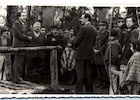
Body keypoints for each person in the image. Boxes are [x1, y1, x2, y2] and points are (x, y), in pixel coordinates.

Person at [72, 13, 97, 93]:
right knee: (88, 74)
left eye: (82, 18)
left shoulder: (83, 28)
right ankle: (89, 92)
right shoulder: (94, 29)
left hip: (80, 55)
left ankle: (78, 92)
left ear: (87, 19)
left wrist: (74, 46)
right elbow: (93, 43)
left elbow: (76, 41)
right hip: (89, 55)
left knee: (80, 75)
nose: (81, 20)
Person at [12, 11, 32, 83]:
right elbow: (18, 34)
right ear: (19, 16)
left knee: (20, 62)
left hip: (22, 45)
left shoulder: (23, 24)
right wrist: (27, 38)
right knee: (17, 62)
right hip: (18, 45)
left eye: (25, 15)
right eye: (23, 15)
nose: (24, 17)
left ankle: (18, 78)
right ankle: (16, 79)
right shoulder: (16, 23)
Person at [104, 29, 122, 95]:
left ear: (115, 37)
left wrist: (109, 61)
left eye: (111, 36)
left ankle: (113, 94)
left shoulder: (114, 44)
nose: (109, 37)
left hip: (113, 65)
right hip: (112, 64)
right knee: (112, 81)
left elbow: (115, 56)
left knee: (113, 81)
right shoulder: (112, 43)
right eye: (109, 36)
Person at [94, 21, 109, 89]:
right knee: (98, 69)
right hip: (96, 53)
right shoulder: (98, 33)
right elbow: (95, 41)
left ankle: (105, 83)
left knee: (103, 69)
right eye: (99, 26)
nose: (100, 27)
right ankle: (100, 82)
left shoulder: (107, 33)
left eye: (101, 25)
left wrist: (99, 50)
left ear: (105, 26)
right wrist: (94, 49)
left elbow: (106, 44)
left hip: (103, 54)